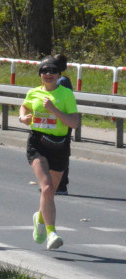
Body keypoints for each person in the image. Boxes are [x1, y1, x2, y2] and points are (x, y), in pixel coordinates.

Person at [19, 54, 80, 251]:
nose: (49, 74)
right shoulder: (34, 92)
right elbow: (24, 106)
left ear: (58, 74)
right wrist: (23, 118)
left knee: (50, 191)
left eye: (53, 70)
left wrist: (53, 109)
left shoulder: (66, 95)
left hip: (60, 145)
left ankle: (39, 217)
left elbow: (74, 123)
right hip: (38, 143)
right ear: (40, 74)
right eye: (45, 71)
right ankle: (52, 232)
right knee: (46, 188)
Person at [53, 54, 72, 195]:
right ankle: (55, 184)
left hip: (64, 121)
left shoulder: (62, 81)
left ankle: (61, 185)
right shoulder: (57, 80)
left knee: (61, 153)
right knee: (53, 153)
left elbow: (61, 101)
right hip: (57, 121)